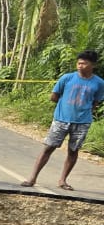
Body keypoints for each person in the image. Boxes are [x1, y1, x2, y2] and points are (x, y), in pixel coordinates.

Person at [21, 50, 104, 191]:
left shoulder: (99, 83)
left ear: (92, 65)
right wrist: (64, 107)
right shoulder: (67, 78)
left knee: (73, 150)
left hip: (82, 122)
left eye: (84, 63)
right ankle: (32, 178)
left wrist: (84, 112)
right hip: (61, 119)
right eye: (78, 63)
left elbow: (95, 102)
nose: (80, 66)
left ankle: (62, 180)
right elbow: (54, 96)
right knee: (48, 147)